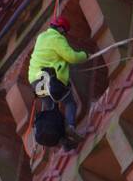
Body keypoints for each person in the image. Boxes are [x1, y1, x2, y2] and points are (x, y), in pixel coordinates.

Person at [28, 15, 89, 151]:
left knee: (50, 109)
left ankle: (64, 141)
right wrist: (85, 55)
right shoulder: (57, 39)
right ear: (61, 29)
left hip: (35, 80)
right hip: (50, 79)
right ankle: (71, 127)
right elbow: (72, 57)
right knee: (69, 102)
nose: (65, 35)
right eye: (65, 32)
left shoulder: (41, 37)